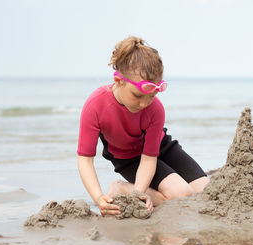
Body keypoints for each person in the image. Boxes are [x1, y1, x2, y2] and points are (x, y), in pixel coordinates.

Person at [77, 36, 208, 216]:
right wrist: (99, 197)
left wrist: (139, 192)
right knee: (182, 195)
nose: (144, 103)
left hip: (159, 149)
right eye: (138, 96)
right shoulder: (95, 106)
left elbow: (149, 158)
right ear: (118, 81)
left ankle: (134, 189)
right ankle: (121, 188)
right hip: (128, 159)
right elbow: (85, 159)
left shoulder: (156, 109)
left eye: (152, 96)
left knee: (206, 193)